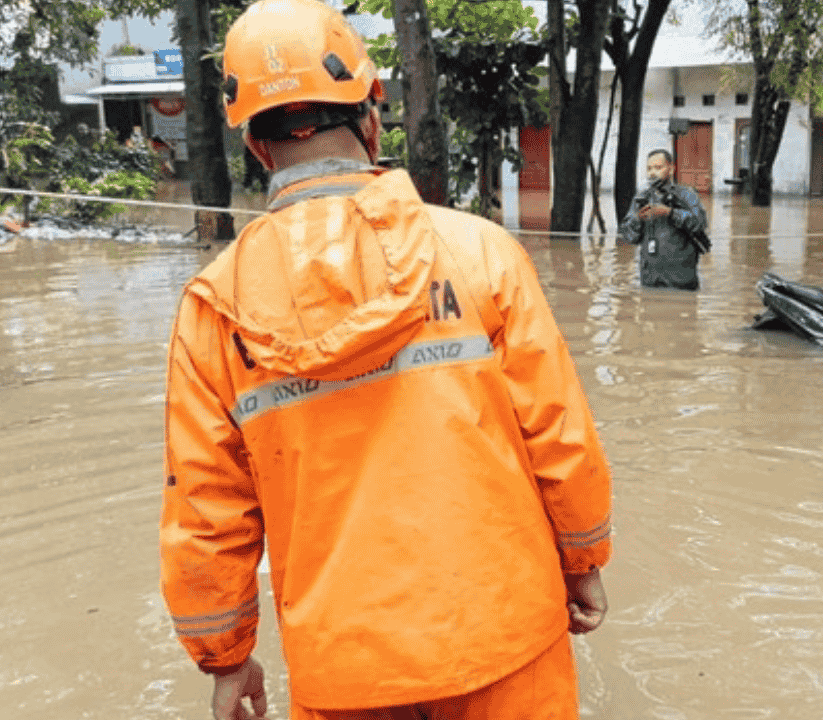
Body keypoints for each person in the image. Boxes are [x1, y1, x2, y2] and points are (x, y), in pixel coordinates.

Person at [159, 2, 613, 719]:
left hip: (345, 668)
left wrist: (226, 657)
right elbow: (560, 438)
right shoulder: (480, 253)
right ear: (373, 117)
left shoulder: (215, 307)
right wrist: (583, 561)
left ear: (255, 146)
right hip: (507, 637)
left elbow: (206, 508)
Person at [619, 149, 709, 290]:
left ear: (671, 169)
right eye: (649, 168)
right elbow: (628, 236)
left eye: (658, 167)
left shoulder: (687, 195)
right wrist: (638, 219)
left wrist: (669, 212)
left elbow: (700, 224)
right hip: (650, 280)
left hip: (681, 280)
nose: (652, 173)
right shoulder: (642, 198)